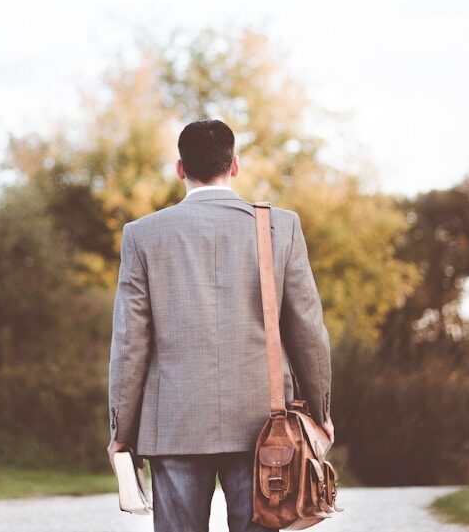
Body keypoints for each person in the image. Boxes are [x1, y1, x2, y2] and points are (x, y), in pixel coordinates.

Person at [107, 119, 333, 532]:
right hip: (265, 427)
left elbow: (129, 344)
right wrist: (320, 412)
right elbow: (308, 332)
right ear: (235, 165)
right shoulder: (280, 227)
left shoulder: (142, 235)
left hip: (174, 422)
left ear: (180, 169)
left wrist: (122, 430)